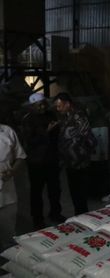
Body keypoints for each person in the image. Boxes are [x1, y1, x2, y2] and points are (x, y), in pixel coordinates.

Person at [21, 93, 64, 229]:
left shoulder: (50, 115)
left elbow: (57, 137)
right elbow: (29, 143)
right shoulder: (28, 120)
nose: (42, 107)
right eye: (38, 105)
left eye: (43, 104)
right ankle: (37, 219)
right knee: (37, 192)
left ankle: (55, 214)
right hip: (36, 162)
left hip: (51, 159)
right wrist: (46, 131)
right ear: (32, 106)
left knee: (55, 189)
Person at [53, 92, 96, 215]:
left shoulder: (79, 116)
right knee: (74, 191)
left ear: (67, 104)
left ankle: (83, 215)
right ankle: (78, 214)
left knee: (80, 192)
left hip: (79, 161)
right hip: (70, 161)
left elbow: (88, 137)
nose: (58, 108)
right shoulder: (66, 117)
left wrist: (83, 153)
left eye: (59, 106)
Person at [0, 121, 27, 250]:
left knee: (8, 235)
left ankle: (8, 264)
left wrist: (12, 171)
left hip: (7, 193)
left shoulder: (7, 131)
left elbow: (20, 156)